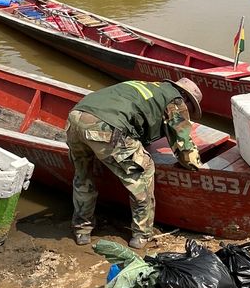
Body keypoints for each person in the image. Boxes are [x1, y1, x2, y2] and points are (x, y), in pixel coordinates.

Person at [65, 78, 203, 247]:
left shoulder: (149, 87)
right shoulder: (175, 99)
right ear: (186, 98)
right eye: (191, 108)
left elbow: (133, 115)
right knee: (143, 172)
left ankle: (82, 230)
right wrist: (195, 167)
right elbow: (183, 145)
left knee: (82, 176)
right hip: (105, 127)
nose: (187, 111)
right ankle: (141, 234)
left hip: (74, 119)